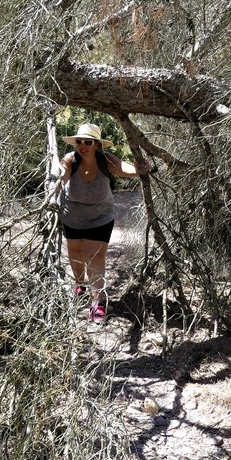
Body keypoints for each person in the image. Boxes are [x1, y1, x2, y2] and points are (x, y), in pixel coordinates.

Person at [60, 122, 150, 320]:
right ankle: (79, 285)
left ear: (97, 145)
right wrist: (56, 180)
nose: (82, 145)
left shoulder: (106, 161)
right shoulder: (70, 160)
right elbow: (61, 176)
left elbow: (126, 169)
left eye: (88, 142)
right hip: (72, 215)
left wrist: (141, 167)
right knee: (75, 253)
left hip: (100, 218)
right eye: (79, 141)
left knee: (95, 258)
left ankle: (98, 302)